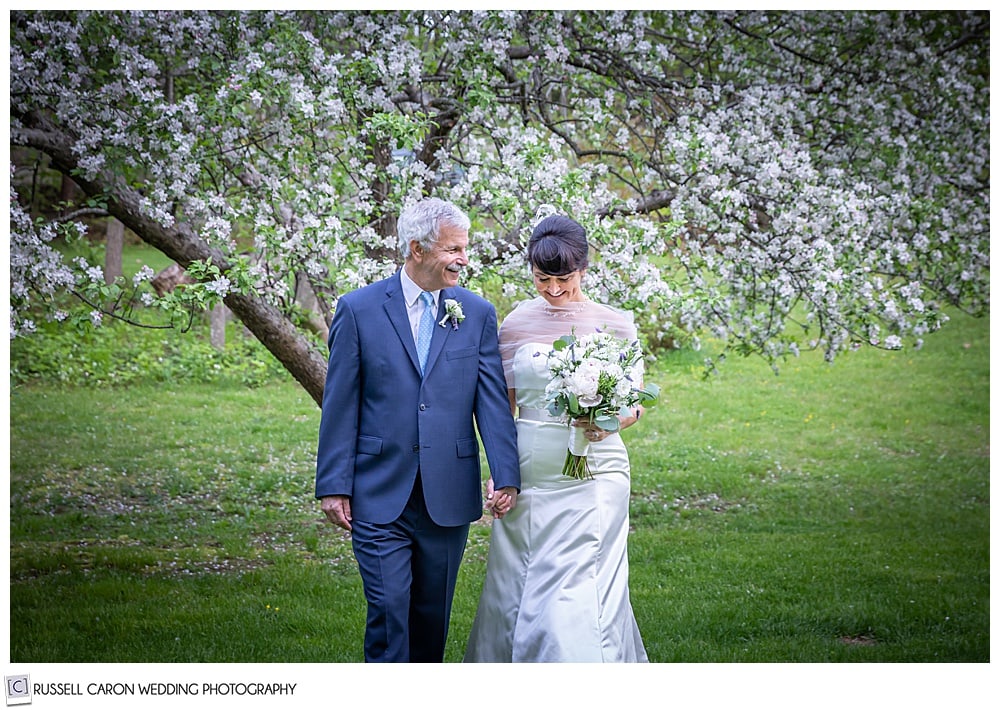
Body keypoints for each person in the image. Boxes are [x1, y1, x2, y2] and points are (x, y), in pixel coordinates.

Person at [316, 197, 520, 663]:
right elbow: (340, 404)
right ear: (417, 249)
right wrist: (333, 485)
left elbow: (490, 401)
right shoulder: (358, 309)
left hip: (447, 493)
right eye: (452, 249)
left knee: (431, 622)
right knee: (389, 615)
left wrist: (505, 473)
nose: (463, 259)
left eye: (464, 248)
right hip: (377, 489)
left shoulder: (477, 313)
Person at [465, 214, 649, 663]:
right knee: (517, 588)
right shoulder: (515, 324)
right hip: (531, 477)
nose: (552, 289)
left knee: (581, 592)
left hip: (597, 474)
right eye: (542, 278)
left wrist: (605, 421)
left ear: (583, 269)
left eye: (563, 279)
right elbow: (501, 410)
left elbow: (635, 405)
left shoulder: (615, 324)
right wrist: (500, 475)